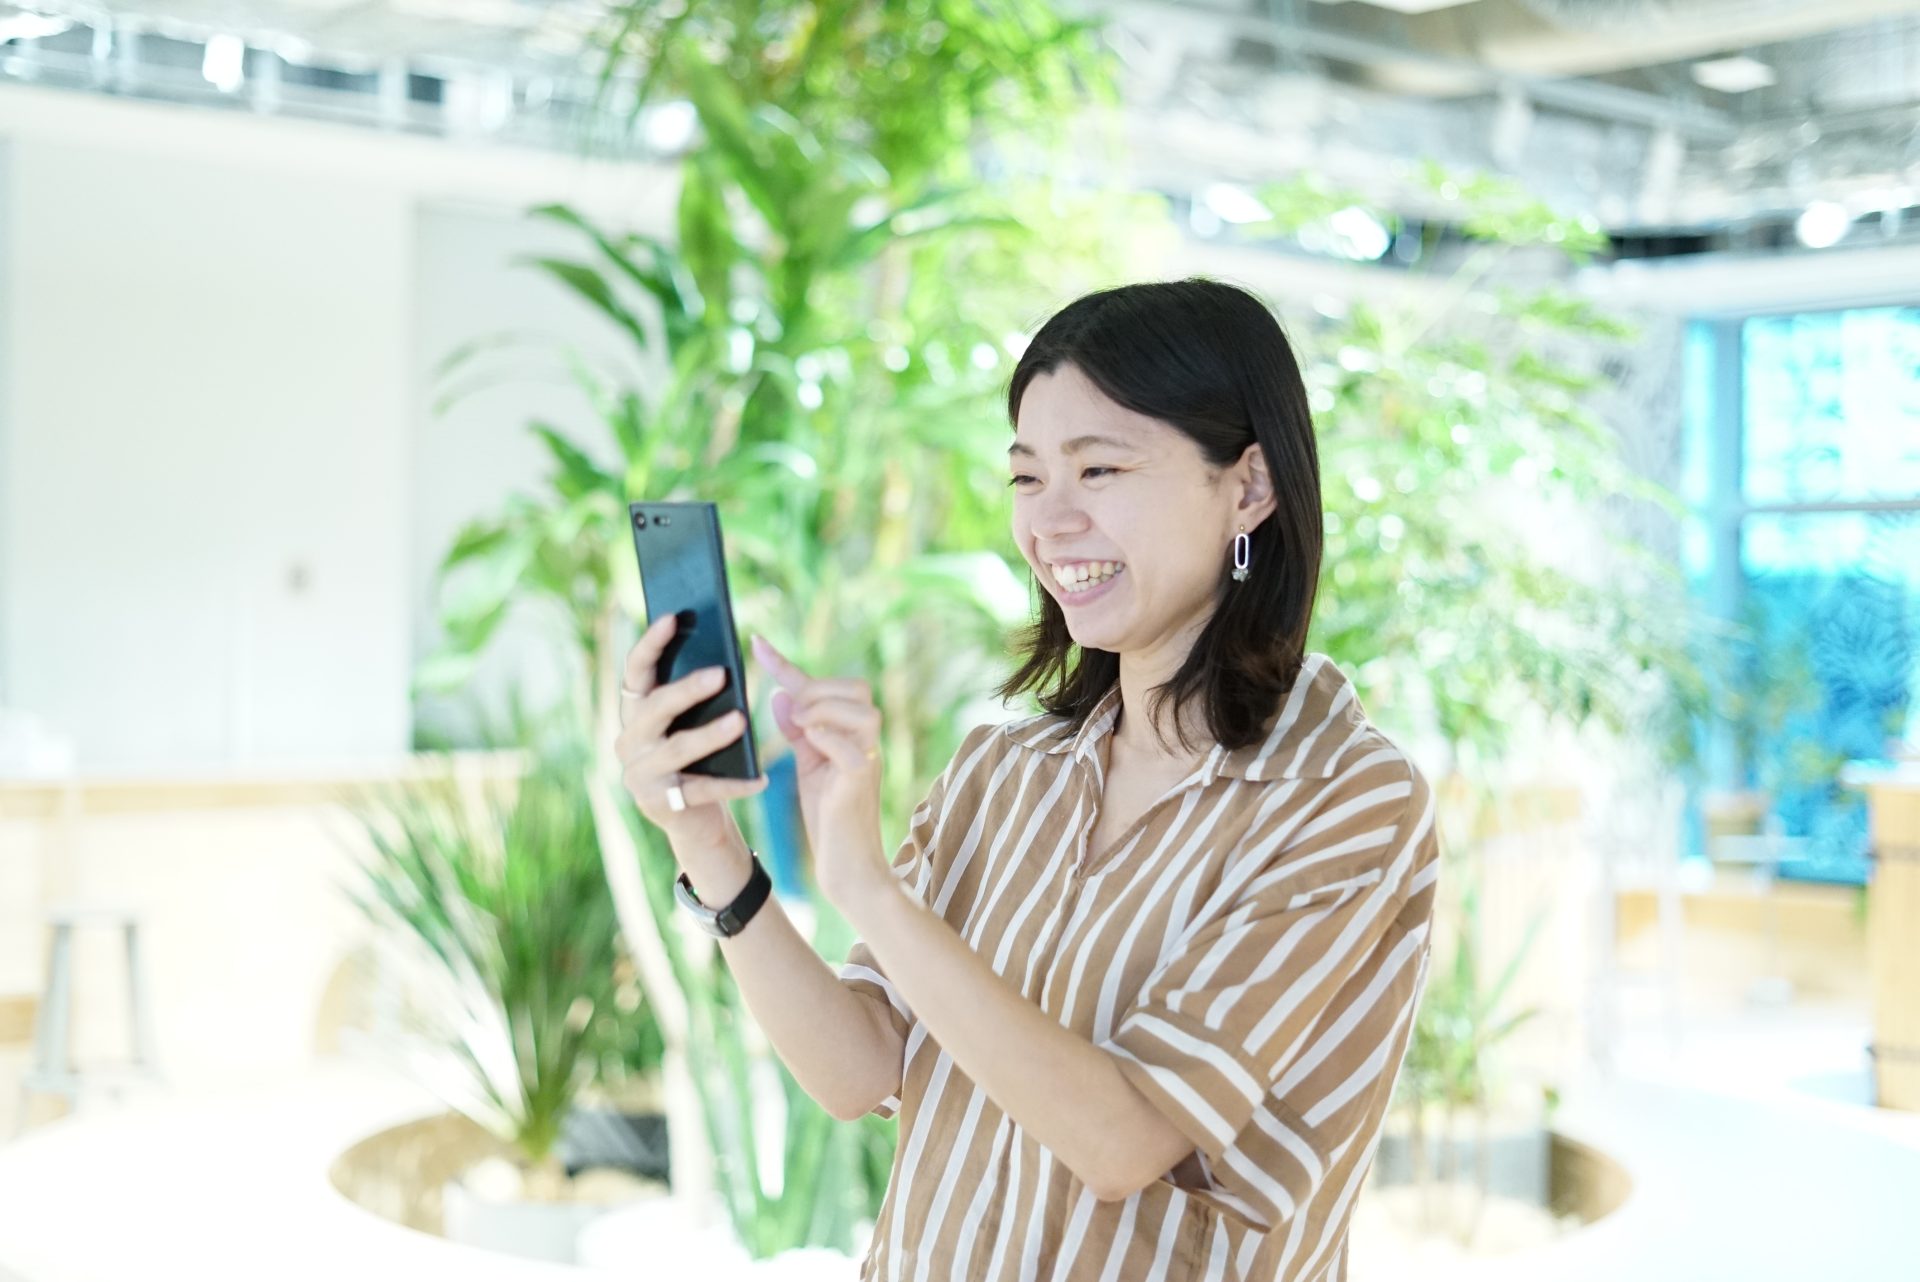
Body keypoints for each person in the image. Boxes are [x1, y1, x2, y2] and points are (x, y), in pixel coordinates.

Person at [614, 278, 1441, 1281]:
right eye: (1025, 477)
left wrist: (867, 884)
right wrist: (705, 841)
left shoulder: (1346, 796)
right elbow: (859, 1068)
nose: (1049, 521)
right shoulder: (1004, 770)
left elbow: (1123, 1137)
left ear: (1249, 486)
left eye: (1098, 469)